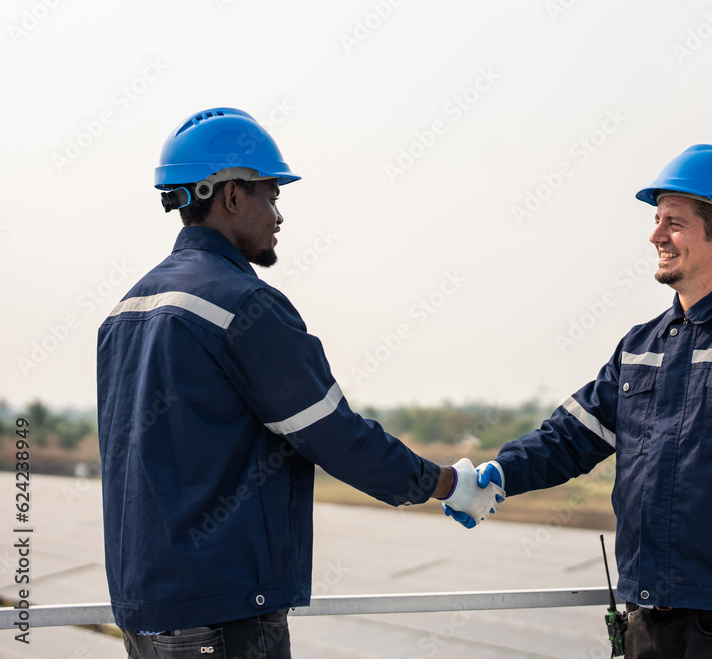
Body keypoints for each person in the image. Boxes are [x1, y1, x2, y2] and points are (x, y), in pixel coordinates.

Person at [97, 107, 502, 659]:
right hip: (223, 616)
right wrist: (447, 485)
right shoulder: (242, 305)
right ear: (231, 196)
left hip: (143, 614)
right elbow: (334, 434)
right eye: (271, 195)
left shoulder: (125, 312)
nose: (279, 215)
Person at [446, 144, 712, 658]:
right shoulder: (640, 346)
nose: (656, 235)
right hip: (644, 617)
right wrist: (500, 473)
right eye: (658, 220)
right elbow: (571, 436)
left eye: (674, 223)